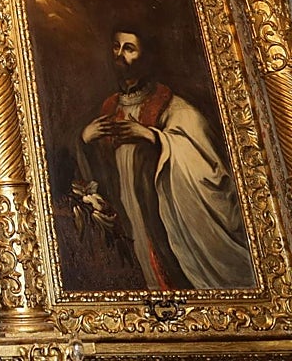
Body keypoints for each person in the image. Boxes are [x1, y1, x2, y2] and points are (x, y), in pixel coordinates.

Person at [78, 27, 255, 290]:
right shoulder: (110, 107)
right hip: (128, 207)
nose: (119, 54)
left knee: (167, 263)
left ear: (145, 55)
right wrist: (85, 138)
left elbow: (206, 164)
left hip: (160, 206)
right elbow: (99, 167)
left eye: (129, 48)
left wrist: (153, 136)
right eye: (116, 46)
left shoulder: (173, 106)